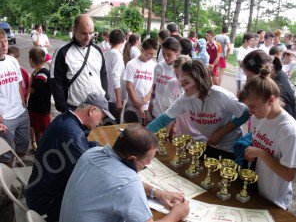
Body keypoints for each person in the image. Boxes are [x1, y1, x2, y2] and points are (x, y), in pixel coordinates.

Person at [60, 124, 190, 222]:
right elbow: (124, 184)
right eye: (148, 161)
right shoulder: (128, 182)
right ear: (132, 159)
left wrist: (157, 193)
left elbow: (115, 184)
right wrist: (177, 214)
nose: (149, 164)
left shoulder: (92, 153)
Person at [26, 92, 115, 222]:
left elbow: (83, 143)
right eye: (102, 117)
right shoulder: (70, 133)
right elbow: (84, 176)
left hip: (40, 190)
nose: (101, 122)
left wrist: (102, 149)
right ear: (92, 111)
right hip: (46, 204)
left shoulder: (66, 119)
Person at [147, 59, 249, 159]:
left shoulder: (220, 95)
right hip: (209, 144)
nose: (181, 86)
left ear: (199, 81)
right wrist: (142, 134)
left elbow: (245, 113)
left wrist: (220, 133)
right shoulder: (185, 99)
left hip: (230, 148)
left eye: (186, 82)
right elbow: (164, 119)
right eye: (181, 81)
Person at [239, 68, 296, 210]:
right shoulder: (257, 117)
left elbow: (289, 175)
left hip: (276, 200)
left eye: (253, 106)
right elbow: (259, 147)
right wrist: (251, 154)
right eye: (248, 106)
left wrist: (260, 152)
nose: (250, 111)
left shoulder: (289, 130)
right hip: (257, 189)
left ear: (271, 100)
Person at [50, 14, 108, 113]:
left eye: (91, 33)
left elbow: (103, 75)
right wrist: (62, 107)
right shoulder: (63, 52)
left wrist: (106, 97)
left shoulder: (97, 50)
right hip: (74, 109)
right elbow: (56, 81)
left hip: (97, 109)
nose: (88, 37)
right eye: (83, 33)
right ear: (74, 30)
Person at [0, 29, 30, 165]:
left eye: (5, 41)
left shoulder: (12, 61)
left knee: (23, 148)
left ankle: (20, 174)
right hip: (5, 118)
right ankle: (7, 182)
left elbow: (19, 84)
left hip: (21, 113)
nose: (4, 45)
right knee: (6, 155)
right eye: (0, 42)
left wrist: (24, 105)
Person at [162, 55, 205, 140]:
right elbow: (168, 114)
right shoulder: (172, 84)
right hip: (181, 134)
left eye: (180, 74)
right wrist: (165, 137)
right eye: (176, 74)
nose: (179, 78)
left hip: (200, 136)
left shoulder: (199, 86)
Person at [124, 38, 158, 125]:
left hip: (147, 106)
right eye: (149, 53)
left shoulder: (154, 66)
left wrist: (144, 102)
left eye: (153, 54)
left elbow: (153, 87)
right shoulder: (131, 64)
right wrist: (138, 105)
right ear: (142, 50)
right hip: (132, 107)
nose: (151, 56)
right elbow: (129, 86)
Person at [27, 47, 51, 148]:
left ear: (31, 60)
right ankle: (39, 149)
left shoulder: (42, 74)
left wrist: (31, 78)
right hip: (36, 108)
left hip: (41, 110)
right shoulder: (40, 73)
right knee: (37, 130)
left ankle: (44, 151)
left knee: (45, 133)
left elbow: (31, 90)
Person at [151, 37, 180, 119]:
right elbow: (154, 87)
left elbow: (180, 98)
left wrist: (174, 122)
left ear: (177, 52)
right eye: (163, 54)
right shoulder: (158, 66)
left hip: (170, 115)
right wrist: (151, 105)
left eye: (169, 55)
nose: (166, 57)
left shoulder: (179, 70)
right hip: (156, 111)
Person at [105, 29, 126, 123]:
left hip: (108, 96)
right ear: (123, 41)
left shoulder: (107, 53)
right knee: (112, 128)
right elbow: (115, 78)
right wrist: (119, 100)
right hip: (113, 99)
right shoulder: (116, 55)